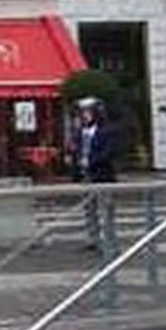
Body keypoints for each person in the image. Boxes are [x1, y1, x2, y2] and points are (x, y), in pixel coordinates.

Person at [69, 97, 117, 247]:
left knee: (106, 208)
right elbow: (76, 149)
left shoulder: (107, 131)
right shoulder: (79, 132)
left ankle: (109, 238)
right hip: (85, 175)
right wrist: (73, 158)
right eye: (83, 112)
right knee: (89, 208)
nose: (85, 115)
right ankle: (92, 238)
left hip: (103, 174)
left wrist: (90, 161)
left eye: (88, 112)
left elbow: (108, 153)